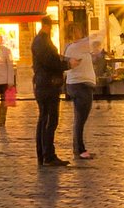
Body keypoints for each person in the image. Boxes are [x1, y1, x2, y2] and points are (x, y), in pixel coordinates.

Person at [31, 16, 68, 166]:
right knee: (49, 119)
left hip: (45, 83)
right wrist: (66, 64)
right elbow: (49, 62)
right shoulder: (42, 41)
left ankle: (44, 154)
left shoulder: (42, 40)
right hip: (47, 84)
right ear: (47, 25)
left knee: (45, 119)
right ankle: (47, 155)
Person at [64, 24, 104, 160]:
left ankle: (78, 148)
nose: (80, 33)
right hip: (80, 86)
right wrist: (105, 25)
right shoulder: (77, 46)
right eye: (77, 30)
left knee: (79, 119)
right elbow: (96, 37)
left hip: (78, 85)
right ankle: (80, 149)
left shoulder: (73, 47)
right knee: (80, 119)